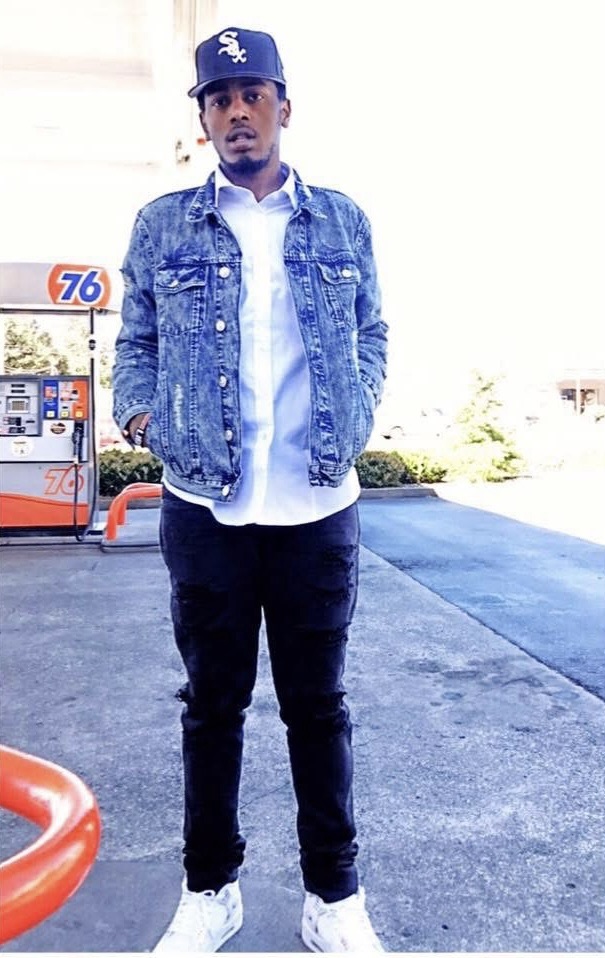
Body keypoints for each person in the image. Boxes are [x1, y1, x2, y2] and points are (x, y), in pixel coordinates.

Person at [112, 25, 388, 953]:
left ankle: (333, 898)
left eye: (251, 95)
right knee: (211, 707)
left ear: (282, 108)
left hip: (317, 506)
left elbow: (371, 329)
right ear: (202, 119)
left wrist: (360, 406)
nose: (236, 112)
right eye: (218, 98)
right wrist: (143, 415)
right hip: (206, 508)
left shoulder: (341, 219)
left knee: (318, 708)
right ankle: (210, 890)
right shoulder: (163, 224)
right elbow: (136, 340)